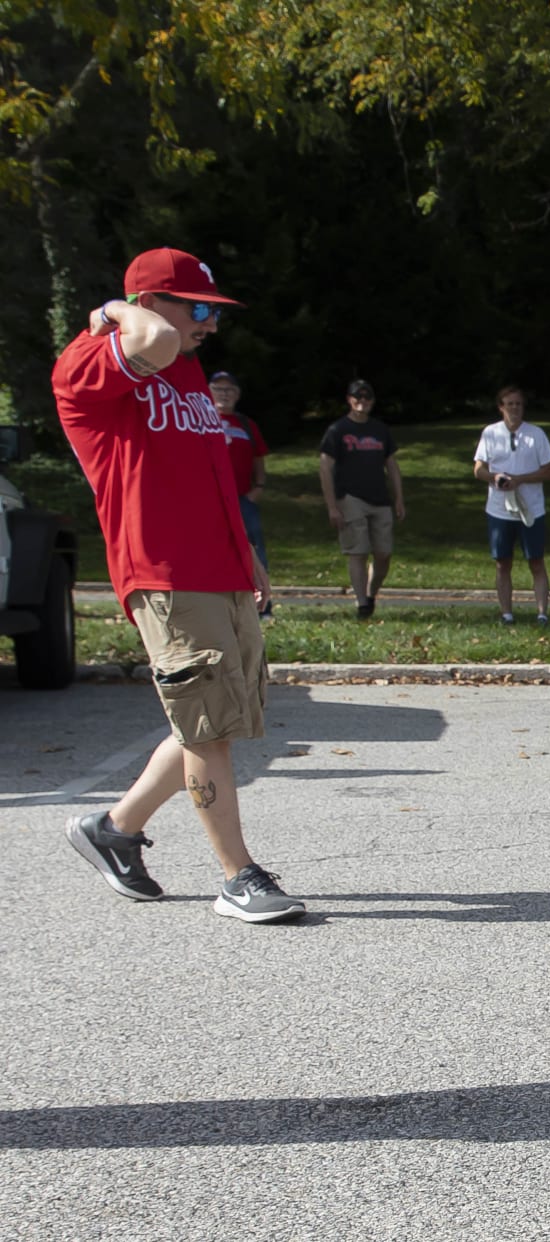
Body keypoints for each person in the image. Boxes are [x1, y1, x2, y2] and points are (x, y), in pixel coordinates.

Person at [52, 247, 304, 923]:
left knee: (215, 720)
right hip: (161, 570)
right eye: (198, 309)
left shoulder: (186, 370)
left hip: (216, 566)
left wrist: (245, 552)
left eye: (213, 311)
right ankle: (237, 877)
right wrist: (112, 310)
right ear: (147, 305)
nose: (207, 326)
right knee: (207, 728)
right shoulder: (88, 361)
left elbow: (209, 469)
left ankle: (114, 830)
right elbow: (154, 338)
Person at [317, 378, 404, 618]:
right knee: (358, 551)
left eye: (367, 398)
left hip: (380, 499)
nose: (362, 402)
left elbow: (392, 465)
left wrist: (399, 499)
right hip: (350, 498)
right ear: (349, 400)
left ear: (372, 401)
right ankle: (361, 604)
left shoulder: (379, 429)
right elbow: (325, 467)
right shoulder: (338, 430)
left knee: (384, 553)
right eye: (358, 397)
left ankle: (371, 593)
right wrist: (332, 506)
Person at [471, 385, 550, 624]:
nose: (515, 408)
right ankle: (506, 613)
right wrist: (495, 478)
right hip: (500, 510)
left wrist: (521, 480)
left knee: (536, 561)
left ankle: (542, 613)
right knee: (502, 563)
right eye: (510, 404)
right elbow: (478, 469)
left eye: (518, 404)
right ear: (501, 407)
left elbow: (549, 471)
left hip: (532, 510)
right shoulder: (490, 433)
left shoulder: (536, 435)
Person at [209, 370, 273, 619]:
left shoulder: (246, 425)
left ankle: (261, 606)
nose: (224, 394)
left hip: (242, 499)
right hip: (210, 501)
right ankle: (218, 604)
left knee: (254, 550)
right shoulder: (200, 420)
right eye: (218, 389)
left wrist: (258, 488)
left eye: (229, 390)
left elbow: (259, 458)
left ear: (237, 395)